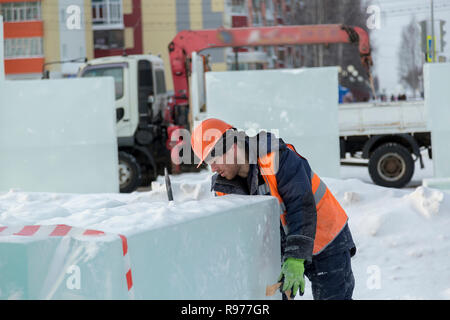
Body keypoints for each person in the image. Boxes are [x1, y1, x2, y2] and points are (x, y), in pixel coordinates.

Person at [190, 118, 356, 300]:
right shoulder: (223, 187)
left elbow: (300, 205)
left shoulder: (275, 157)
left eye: (213, 159)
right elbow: (239, 233)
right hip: (283, 251)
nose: (213, 168)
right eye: (208, 162)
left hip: (326, 239)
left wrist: (295, 257)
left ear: (231, 147)